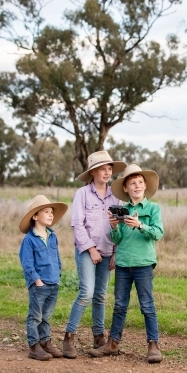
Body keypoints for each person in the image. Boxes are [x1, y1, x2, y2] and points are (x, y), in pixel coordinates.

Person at [88, 163, 164, 363]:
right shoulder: (121, 210)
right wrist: (114, 227)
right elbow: (117, 239)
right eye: (132, 183)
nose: (137, 186)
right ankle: (112, 343)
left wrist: (140, 225)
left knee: (147, 305)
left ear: (145, 186)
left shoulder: (153, 209)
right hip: (123, 263)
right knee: (120, 305)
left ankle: (153, 344)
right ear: (125, 188)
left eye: (140, 182)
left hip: (143, 263)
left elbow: (158, 233)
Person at [62, 151, 127, 358]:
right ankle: (69, 337)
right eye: (103, 169)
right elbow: (77, 224)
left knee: (100, 295)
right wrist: (90, 249)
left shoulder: (115, 195)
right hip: (86, 250)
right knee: (86, 293)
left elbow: (119, 226)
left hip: (108, 250)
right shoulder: (82, 194)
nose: (107, 172)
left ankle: (99, 336)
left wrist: (116, 252)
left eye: (109, 169)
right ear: (93, 172)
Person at [19, 195, 68, 361]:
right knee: (35, 316)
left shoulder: (52, 236)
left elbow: (56, 258)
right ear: (35, 216)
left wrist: (58, 275)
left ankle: (45, 342)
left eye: (51, 212)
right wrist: (37, 280)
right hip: (39, 284)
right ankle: (34, 346)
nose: (50, 215)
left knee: (46, 316)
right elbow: (27, 263)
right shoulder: (29, 240)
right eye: (46, 212)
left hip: (53, 282)